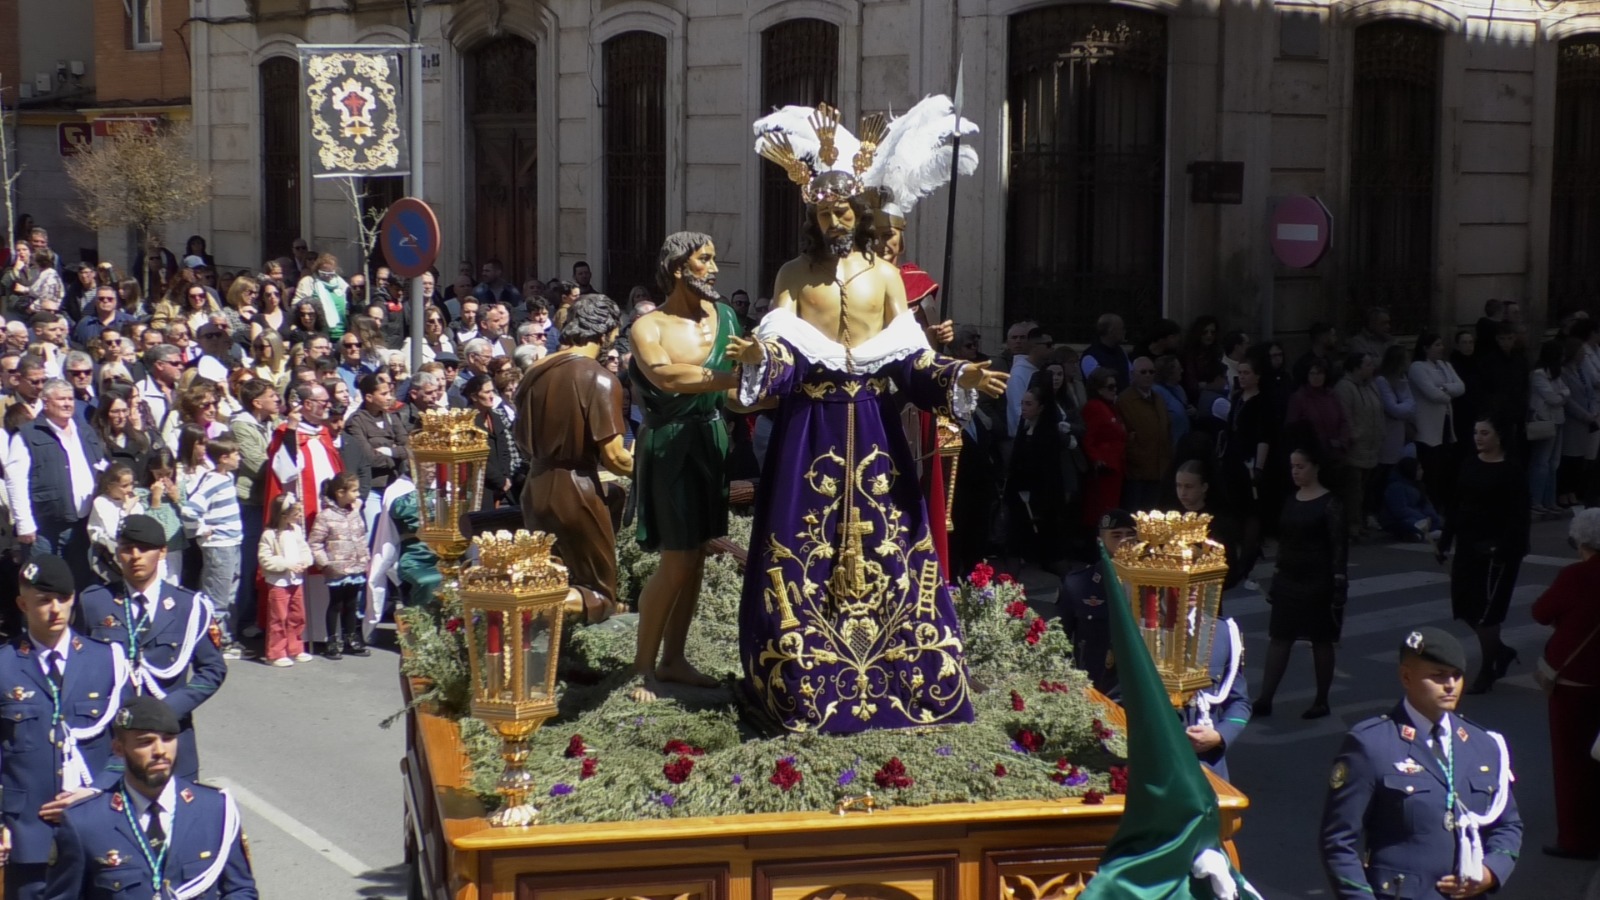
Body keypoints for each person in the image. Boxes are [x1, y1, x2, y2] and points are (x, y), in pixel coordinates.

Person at [740, 111, 1006, 734]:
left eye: (844, 211)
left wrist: (955, 377)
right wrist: (761, 356)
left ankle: (907, 680)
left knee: (895, 549)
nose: (835, 221)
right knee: (798, 549)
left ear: (860, 211)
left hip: (876, 427)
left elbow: (912, 362)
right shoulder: (792, 276)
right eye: (824, 212)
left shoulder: (884, 278)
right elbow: (781, 353)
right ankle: (799, 684)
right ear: (811, 215)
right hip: (809, 428)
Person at [625, 233, 744, 700]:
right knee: (676, 560)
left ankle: (673, 658)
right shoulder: (648, 326)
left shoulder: (727, 317)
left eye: (715, 259)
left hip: (711, 439)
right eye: (704, 260)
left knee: (695, 557)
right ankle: (642, 668)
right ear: (679, 268)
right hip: (668, 444)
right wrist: (738, 376)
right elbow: (665, 375)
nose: (714, 269)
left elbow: (735, 396)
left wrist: (786, 393)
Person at [1321, 627, 1522, 899]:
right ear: (1406, 677)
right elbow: (1338, 841)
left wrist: (1491, 872)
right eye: (1438, 676)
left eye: (1457, 675)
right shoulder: (1372, 744)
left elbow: (1507, 824)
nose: (1450, 685)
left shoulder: (1483, 744)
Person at [0, 556, 131, 900]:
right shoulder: (4, 666)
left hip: (98, 828)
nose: (55, 609)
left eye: (63, 597)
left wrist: (98, 789)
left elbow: (130, 742)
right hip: (27, 834)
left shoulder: (106, 661)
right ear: (22, 604)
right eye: (43, 601)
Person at [43, 694, 257, 899]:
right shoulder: (85, 823)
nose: (160, 751)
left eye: (168, 739)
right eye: (146, 742)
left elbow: (240, 890)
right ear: (119, 749)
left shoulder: (215, 810)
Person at [75, 515, 227, 781]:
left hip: (168, 736)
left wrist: (170, 708)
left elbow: (212, 669)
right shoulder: (94, 602)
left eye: (144, 549)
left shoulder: (188, 607)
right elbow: (77, 667)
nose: (135, 556)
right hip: (113, 737)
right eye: (126, 549)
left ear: (162, 552)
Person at [516, 293, 633, 624]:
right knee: (599, 596)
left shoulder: (534, 373)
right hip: (575, 491)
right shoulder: (601, 379)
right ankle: (523, 605)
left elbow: (521, 441)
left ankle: (537, 620)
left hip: (534, 488)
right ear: (607, 330)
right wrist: (648, 468)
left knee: (552, 575)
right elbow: (615, 459)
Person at [1253, 444, 1348, 719]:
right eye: (1292, 466)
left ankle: (1321, 700)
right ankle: (1265, 698)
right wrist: (1276, 574)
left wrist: (1339, 584)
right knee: (1279, 638)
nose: (1295, 472)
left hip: (1319, 580)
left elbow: (1339, 547)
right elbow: (1284, 542)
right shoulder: (1291, 499)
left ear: (1316, 467)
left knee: (1320, 640)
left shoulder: (1330, 503)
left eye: (1300, 466)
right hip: (1289, 578)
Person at [1440, 415, 1529, 694]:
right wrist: (1446, 538)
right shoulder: (1470, 463)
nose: (1478, 438)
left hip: (1496, 552)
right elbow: (1457, 503)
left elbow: (1518, 516)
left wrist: (1503, 549)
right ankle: (1500, 651)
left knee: (1486, 613)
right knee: (1465, 605)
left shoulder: (1511, 471)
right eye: (1476, 432)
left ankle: (1488, 668)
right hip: (1467, 545)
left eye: (1485, 433)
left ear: (1499, 436)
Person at [1531, 508, 1600, 860]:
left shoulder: (1576, 576)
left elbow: (1541, 612)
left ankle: (1576, 838)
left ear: (1581, 541)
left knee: (1572, 762)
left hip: (1575, 683)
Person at [6, 379, 107, 590]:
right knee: (41, 587)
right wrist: (24, 524)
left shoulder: (84, 430)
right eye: (61, 399)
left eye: (70, 398)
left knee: (79, 585)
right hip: (44, 529)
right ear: (45, 401)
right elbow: (16, 481)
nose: (68, 403)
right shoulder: (27, 434)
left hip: (83, 525)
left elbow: (101, 465)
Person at [1058, 509, 1137, 693]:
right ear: (1100, 541)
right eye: (1116, 536)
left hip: (1134, 682)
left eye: (1131, 535)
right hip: (1093, 683)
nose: (1125, 542)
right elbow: (1059, 640)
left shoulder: (1152, 585)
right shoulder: (1078, 584)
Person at [179, 440, 244, 658]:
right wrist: (201, 528)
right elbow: (190, 510)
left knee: (230, 595)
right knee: (217, 598)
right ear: (223, 458)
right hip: (219, 547)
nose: (239, 458)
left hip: (233, 544)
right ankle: (214, 644)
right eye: (236, 454)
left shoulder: (228, 478)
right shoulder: (212, 481)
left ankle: (226, 638)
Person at [306, 473, 369, 659]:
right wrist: (325, 564)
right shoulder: (325, 516)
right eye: (354, 490)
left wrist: (365, 557)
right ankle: (332, 640)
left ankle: (351, 637)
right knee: (336, 604)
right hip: (337, 568)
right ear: (340, 492)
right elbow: (315, 542)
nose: (358, 495)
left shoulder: (354, 513)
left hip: (356, 566)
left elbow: (361, 537)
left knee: (352, 603)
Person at [1408, 332, 1466, 510]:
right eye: (1437, 345)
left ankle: (1443, 503)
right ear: (1426, 348)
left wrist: (1443, 388)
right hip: (1427, 426)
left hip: (1445, 424)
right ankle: (1430, 504)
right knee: (1431, 468)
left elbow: (1460, 387)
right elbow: (1432, 394)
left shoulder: (1444, 365)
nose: (1441, 348)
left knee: (1445, 467)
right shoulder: (1417, 367)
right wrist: (1446, 393)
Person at [258, 493, 313, 667]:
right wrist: (287, 564)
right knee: (279, 617)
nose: (299, 515)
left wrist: (306, 560)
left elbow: (304, 548)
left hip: (296, 581)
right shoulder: (269, 535)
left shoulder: (296, 530)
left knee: (297, 615)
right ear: (283, 515)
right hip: (279, 582)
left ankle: (295, 647)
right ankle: (275, 653)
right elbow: (265, 559)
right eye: (295, 513)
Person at [1079, 367, 1128, 529]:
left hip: (1116, 466)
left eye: (1115, 386)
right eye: (1110, 387)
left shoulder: (1109, 407)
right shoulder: (1094, 407)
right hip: (1105, 469)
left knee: (1111, 508)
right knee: (1101, 511)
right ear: (1098, 389)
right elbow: (1089, 437)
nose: (1115, 390)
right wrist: (1097, 459)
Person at [1528, 339, 1569, 517]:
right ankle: (1535, 500)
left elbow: (1565, 391)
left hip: (1558, 419)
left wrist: (1561, 396)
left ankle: (1549, 500)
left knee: (1554, 463)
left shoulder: (1556, 374)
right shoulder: (1538, 374)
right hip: (1544, 420)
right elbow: (1553, 398)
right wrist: (1561, 396)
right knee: (1541, 462)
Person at [87, 463, 146, 584]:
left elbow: (141, 530)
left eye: (131, 484)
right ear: (110, 486)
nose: (130, 489)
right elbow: (114, 533)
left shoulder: (135, 503)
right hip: (109, 561)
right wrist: (126, 511)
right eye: (124, 486)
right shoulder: (101, 503)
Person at [1379, 456, 1442, 543]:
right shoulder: (1396, 487)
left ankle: (1421, 534)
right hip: (1397, 519)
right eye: (1418, 469)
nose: (1422, 472)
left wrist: (1430, 516)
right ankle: (1421, 535)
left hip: (1417, 515)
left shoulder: (1419, 485)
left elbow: (1425, 503)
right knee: (1411, 523)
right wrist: (1421, 517)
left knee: (1436, 521)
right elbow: (1400, 510)